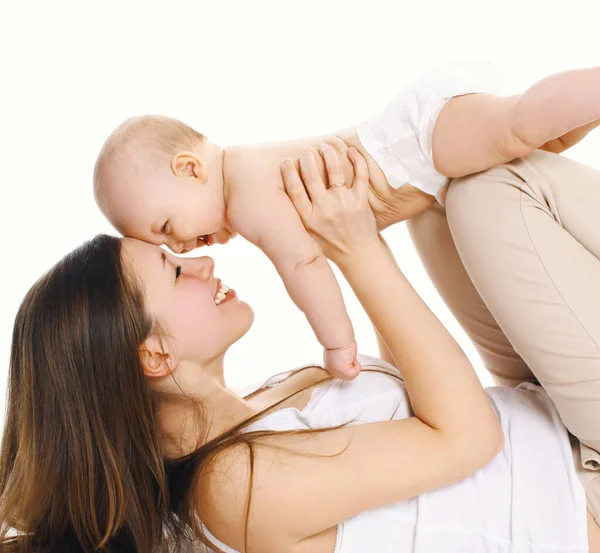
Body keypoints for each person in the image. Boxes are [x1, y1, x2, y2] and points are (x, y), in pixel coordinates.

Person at [1, 148, 598, 552]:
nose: (204, 262)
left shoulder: (261, 405)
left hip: (544, 415)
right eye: (176, 272)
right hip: (583, 477)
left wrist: (373, 224)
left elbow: (415, 392)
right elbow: (467, 439)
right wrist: (357, 251)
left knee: (447, 191)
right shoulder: (234, 486)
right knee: (497, 191)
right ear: (154, 355)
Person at [92, 61, 600, 382]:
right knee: (543, 139)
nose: (181, 246)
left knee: (518, 125)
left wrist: (336, 343)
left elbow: (306, 265)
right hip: (422, 144)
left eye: (165, 228)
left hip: (418, 143)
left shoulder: (245, 196)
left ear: (190, 168)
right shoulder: (245, 169)